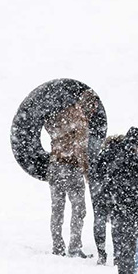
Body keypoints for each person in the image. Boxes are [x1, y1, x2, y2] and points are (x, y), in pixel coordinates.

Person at [44, 90, 100, 258]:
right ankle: (74, 247)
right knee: (79, 209)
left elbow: (48, 128)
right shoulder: (81, 121)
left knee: (57, 209)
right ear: (89, 105)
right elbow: (80, 149)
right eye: (93, 109)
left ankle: (57, 246)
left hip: (54, 167)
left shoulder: (60, 114)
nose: (93, 113)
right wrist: (86, 172)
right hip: (71, 168)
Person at [96, 127, 138, 274]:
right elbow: (114, 185)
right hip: (125, 210)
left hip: (128, 210)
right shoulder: (124, 159)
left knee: (128, 248)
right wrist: (122, 204)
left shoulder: (131, 158)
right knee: (126, 248)